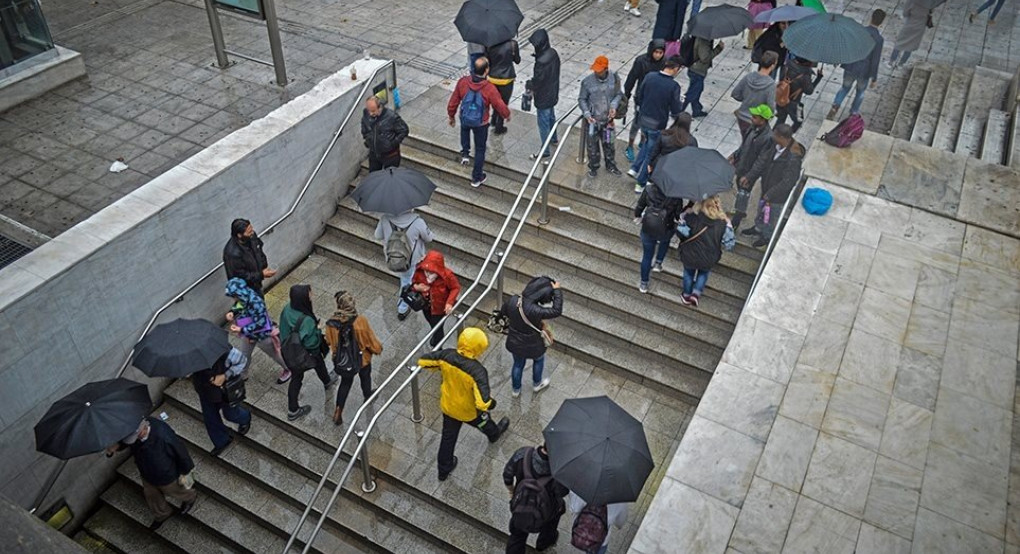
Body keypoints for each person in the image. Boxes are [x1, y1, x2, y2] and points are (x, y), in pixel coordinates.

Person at [419, 327, 509, 481]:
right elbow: (482, 403)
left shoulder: (447, 355)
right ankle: (494, 434)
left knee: (448, 438)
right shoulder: (477, 371)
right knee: (484, 423)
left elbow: (424, 361)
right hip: (469, 412)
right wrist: (491, 404)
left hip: (449, 406)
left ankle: (443, 470)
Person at [113, 417, 196, 531]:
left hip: (166, 474)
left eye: (135, 437)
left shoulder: (163, 434)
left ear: (143, 429)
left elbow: (180, 452)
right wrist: (116, 448)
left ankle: (190, 497)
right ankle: (162, 514)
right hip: (146, 472)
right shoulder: (134, 428)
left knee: (175, 491)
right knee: (152, 496)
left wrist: (186, 471)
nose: (134, 440)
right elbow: (127, 442)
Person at [448, 57, 511, 187]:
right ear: (486, 70)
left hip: (465, 118)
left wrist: (451, 116)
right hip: (480, 123)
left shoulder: (463, 82)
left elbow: (454, 101)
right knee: (480, 149)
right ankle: (477, 178)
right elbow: (499, 105)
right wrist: (507, 115)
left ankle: (465, 153)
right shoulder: (489, 88)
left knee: (464, 132)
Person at [279, 284, 338, 421]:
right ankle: (293, 410)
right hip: (303, 353)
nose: (312, 295)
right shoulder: (306, 320)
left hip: (288, 351)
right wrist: (317, 332)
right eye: (309, 294)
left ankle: (327, 381)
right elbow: (312, 344)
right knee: (312, 366)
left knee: (299, 375)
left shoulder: (287, 308)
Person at [324, 291, 382, 426]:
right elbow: (370, 341)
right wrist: (378, 349)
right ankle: (367, 395)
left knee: (345, 383)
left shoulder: (331, 323)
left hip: (343, 360)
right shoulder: (360, 321)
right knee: (365, 376)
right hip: (362, 359)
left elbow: (328, 340)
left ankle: (338, 409)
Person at [741, 123, 804, 247]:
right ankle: (758, 228)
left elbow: (788, 182)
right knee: (761, 210)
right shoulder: (775, 146)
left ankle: (766, 236)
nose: (772, 136)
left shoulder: (793, 158)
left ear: (781, 137)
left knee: (771, 217)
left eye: (775, 134)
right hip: (766, 187)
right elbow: (762, 161)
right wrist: (750, 176)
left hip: (777, 196)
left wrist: (770, 194)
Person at [499, 276, 563, 397]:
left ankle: (515, 390)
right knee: (538, 360)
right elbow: (556, 311)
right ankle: (536, 384)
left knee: (517, 364)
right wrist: (557, 291)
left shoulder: (513, 300)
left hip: (514, 341)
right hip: (534, 344)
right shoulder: (536, 310)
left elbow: (504, 313)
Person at [628, 57, 683, 193]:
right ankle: (640, 183)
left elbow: (640, 94)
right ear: (676, 68)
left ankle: (634, 168)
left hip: (643, 119)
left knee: (646, 144)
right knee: (651, 154)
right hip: (657, 124)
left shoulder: (650, 76)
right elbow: (676, 109)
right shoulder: (673, 86)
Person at [503, 443, 569, 553]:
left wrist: (511, 490)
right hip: (546, 513)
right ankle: (544, 543)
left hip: (521, 507)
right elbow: (562, 493)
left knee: (516, 536)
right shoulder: (560, 473)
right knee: (560, 509)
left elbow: (507, 475)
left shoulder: (523, 453)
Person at [225, 277, 292, 384]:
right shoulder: (244, 297)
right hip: (248, 334)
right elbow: (238, 306)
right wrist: (232, 312)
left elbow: (260, 324)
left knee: (274, 354)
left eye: (234, 296)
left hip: (262, 335)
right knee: (245, 354)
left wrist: (241, 329)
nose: (234, 299)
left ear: (239, 294)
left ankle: (289, 368)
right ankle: (243, 374)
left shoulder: (257, 302)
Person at [374, 210, 434, 320]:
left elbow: (377, 235)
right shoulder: (418, 222)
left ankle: (406, 302)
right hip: (411, 260)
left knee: (406, 279)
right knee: (407, 282)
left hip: (392, 258)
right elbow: (429, 238)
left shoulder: (385, 218)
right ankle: (402, 308)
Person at [192, 347, 251, 457]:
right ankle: (222, 441)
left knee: (231, 414)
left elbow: (242, 360)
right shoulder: (189, 356)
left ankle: (245, 417)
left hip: (225, 390)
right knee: (210, 417)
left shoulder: (224, 350)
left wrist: (224, 376)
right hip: (205, 391)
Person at [829, 9, 885, 119]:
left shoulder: (858, 31)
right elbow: (875, 60)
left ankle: (836, 105)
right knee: (860, 92)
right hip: (865, 70)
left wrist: (839, 58)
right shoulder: (878, 39)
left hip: (851, 65)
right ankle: (853, 111)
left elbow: (848, 47)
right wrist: (874, 78)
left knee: (845, 88)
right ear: (881, 22)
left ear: (871, 17)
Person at [677, 196, 733, 307]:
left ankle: (686, 295)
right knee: (703, 273)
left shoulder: (692, 218)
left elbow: (681, 233)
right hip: (709, 258)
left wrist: (683, 217)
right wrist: (729, 225)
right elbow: (729, 245)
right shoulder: (722, 225)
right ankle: (696, 294)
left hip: (690, 254)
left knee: (688, 273)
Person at [728, 104, 775, 231]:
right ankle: (740, 211)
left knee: (743, 194)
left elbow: (762, 161)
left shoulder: (768, 138)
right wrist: (735, 154)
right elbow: (744, 145)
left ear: (763, 120)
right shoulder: (752, 128)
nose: (752, 118)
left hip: (750, 171)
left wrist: (749, 176)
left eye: (755, 117)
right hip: (742, 166)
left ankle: (737, 219)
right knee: (740, 188)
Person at [578, 55, 624, 178]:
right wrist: (587, 114)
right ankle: (593, 167)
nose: (597, 72)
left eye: (599, 70)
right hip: (593, 121)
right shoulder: (587, 82)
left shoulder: (614, 78)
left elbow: (619, 94)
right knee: (592, 147)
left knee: (610, 144)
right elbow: (582, 99)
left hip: (608, 121)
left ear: (606, 69)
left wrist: (613, 106)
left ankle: (611, 165)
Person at [634, 181, 684, 293]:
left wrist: (638, 216)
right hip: (666, 228)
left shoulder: (648, 189)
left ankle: (644, 284)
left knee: (647, 256)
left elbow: (639, 207)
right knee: (665, 242)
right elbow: (677, 215)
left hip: (648, 226)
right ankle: (658, 263)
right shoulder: (676, 195)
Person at [623, 40, 667, 162]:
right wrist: (627, 94)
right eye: (656, 52)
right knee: (637, 122)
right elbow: (632, 78)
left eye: (660, 52)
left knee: (648, 124)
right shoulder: (641, 61)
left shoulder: (664, 62)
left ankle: (643, 142)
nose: (658, 55)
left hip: (655, 98)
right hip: (641, 98)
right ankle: (630, 146)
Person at [412, 250, 462, 348]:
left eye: (431, 272)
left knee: (438, 328)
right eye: (427, 271)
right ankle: (435, 336)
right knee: (432, 323)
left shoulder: (447, 276)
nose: (428, 274)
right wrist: (417, 287)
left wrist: (449, 303)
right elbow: (413, 282)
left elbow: (455, 287)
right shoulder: (420, 271)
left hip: (439, 309)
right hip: (426, 306)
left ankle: (438, 347)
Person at [526, 29, 561, 162]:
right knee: (551, 116)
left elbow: (538, 81)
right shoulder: (553, 54)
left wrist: (529, 84)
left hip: (543, 97)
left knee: (543, 122)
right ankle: (554, 138)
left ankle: (545, 150)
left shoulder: (541, 62)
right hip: (553, 92)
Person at [223, 218, 275, 297]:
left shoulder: (251, 237)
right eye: (249, 232)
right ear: (239, 235)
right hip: (246, 288)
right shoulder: (232, 254)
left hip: (256, 281)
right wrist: (261, 275)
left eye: (251, 229)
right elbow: (241, 276)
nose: (252, 233)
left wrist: (263, 266)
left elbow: (259, 250)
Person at [732, 50, 778, 137]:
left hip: (742, 116)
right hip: (757, 120)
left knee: (746, 141)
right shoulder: (770, 85)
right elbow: (771, 107)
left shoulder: (748, 77)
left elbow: (735, 93)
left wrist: (747, 99)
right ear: (772, 66)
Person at [775, 56, 823, 133]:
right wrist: (818, 78)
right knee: (799, 121)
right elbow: (809, 91)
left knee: (780, 119)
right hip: (794, 103)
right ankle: (786, 137)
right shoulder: (805, 75)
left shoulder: (786, 66)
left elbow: (781, 80)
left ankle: (773, 138)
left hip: (781, 98)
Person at [360, 96, 408, 171]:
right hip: (374, 154)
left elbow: (404, 130)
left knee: (390, 177)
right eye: (369, 110)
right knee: (373, 176)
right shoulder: (366, 113)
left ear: (380, 108)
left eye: (373, 111)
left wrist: (392, 143)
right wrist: (367, 139)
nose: (370, 113)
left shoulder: (392, 117)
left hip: (390, 155)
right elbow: (365, 127)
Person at [486, 38, 521, 135]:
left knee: (495, 100)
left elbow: (487, 60)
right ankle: (499, 126)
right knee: (504, 102)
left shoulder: (490, 43)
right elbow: (517, 60)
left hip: (493, 77)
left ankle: (493, 120)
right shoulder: (513, 44)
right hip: (507, 79)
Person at [684, 37, 725, 118]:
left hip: (695, 69)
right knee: (692, 92)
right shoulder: (703, 41)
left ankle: (696, 110)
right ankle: (679, 109)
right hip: (697, 71)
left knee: (697, 90)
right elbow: (705, 58)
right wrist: (718, 48)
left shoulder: (703, 38)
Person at [888, 2, 932, 69]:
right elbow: (931, 12)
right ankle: (901, 64)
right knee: (910, 46)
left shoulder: (912, 2)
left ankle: (891, 62)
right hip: (920, 27)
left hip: (910, 25)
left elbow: (905, 13)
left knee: (900, 43)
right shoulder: (930, 2)